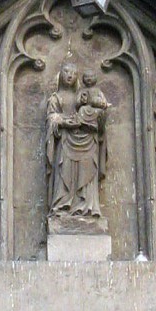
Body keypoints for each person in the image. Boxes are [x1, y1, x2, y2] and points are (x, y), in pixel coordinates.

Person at [46, 63, 108, 217]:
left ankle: (87, 207)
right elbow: (52, 117)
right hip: (67, 141)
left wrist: (97, 116)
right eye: (66, 71)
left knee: (87, 172)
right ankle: (63, 205)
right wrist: (63, 121)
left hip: (88, 140)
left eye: (74, 73)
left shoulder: (84, 95)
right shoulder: (56, 98)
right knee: (65, 172)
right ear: (61, 74)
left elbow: (99, 114)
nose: (70, 75)